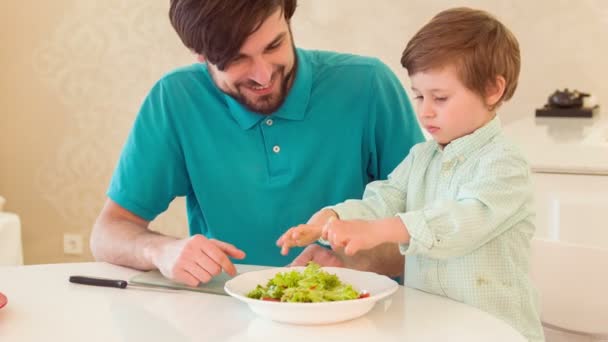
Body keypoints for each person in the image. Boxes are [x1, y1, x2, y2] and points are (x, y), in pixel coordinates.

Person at [90, 0, 424, 288]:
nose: (263, 76)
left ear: (287, 18)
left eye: (274, 45)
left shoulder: (367, 85)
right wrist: (161, 251)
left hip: (360, 314)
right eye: (237, 59)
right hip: (226, 318)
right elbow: (108, 233)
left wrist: (356, 264)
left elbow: (431, 233)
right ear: (200, 54)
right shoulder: (175, 99)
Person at [277, 7, 544, 341]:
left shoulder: (504, 164)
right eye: (418, 95)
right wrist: (329, 220)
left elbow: (460, 221)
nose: (425, 110)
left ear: (492, 90)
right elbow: (385, 198)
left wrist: (381, 231)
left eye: (440, 97)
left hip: (494, 331)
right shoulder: (422, 157)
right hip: (430, 328)